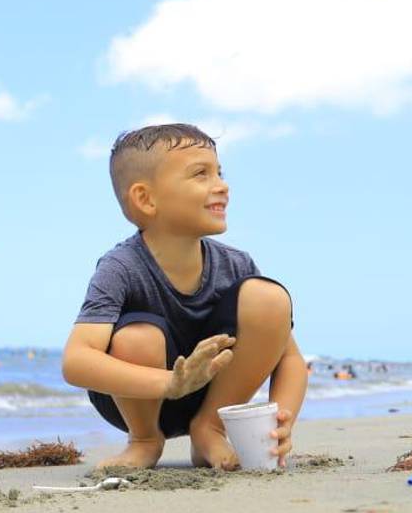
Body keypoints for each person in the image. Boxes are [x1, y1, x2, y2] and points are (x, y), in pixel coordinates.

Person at [61, 124, 308, 470]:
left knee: (268, 297)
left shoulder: (236, 265)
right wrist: (171, 383)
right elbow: (75, 361)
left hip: (215, 397)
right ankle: (145, 441)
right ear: (146, 199)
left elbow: (290, 359)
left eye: (219, 173)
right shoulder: (121, 267)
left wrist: (280, 422)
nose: (222, 185)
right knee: (136, 337)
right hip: (139, 398)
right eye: (200, 174)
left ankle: (209, 430)